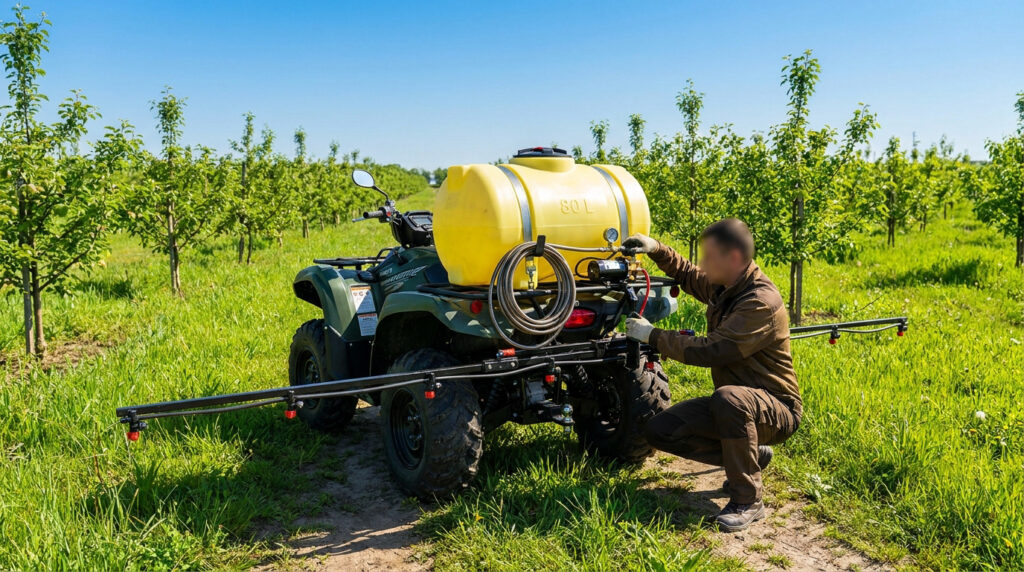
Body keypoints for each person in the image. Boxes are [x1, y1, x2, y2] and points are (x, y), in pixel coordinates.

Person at [621, 219, 801, 533]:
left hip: (776, 409)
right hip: (737, 405)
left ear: (732, 257)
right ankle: (748, 454)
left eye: (709, 257)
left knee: (730, 398)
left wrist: (654, 336)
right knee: (661, 429)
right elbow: (690, 275)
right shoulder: (727, 285)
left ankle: (748, 500)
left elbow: (712, 350)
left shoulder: (759, 302)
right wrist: (655, 249)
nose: (702, 263)